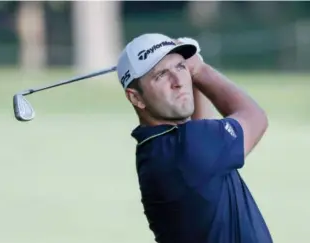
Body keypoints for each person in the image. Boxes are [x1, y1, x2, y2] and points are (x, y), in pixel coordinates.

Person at [116, 33, 272, 243]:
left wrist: (195, 78)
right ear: (135, 97)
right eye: (160, 75)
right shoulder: (188, 149)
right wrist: (199, 70)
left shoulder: (156, 148)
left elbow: (197, 131)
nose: (178, 81)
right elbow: (255, 117)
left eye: (181, 67)